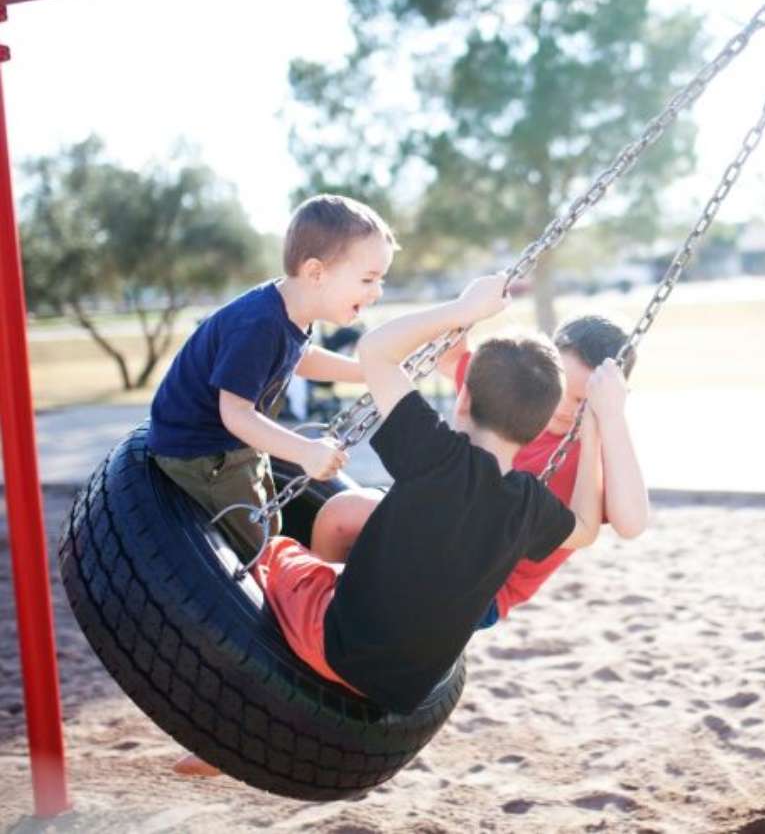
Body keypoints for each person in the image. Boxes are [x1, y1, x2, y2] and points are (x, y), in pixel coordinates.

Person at [254, 274, 608, 707]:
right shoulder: (530, 504)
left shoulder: (433, 450)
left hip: (336, 650)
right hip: (407, 693)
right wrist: (592, 430)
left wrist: (463, 311)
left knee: (267, 553)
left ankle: (263, 692)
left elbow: (375, 350)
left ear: (462, 401)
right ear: (540, 427)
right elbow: (588, 528)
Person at [309, 314, 649, 629]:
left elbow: (631, 523)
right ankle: (321, 606)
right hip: (433, 524)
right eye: (563, 390)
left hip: (482, 585)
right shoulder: (516, 392)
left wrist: (609, 420)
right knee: (340, 516)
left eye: (585, 401)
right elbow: (450, 358)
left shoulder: (596, 454)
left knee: (378, 550)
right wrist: (466, 314)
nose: (565, 407)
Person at [147, 194, 395, 557]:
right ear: (316, 273)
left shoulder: (290, 309)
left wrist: (365, 373)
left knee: (271, 521)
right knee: (255, 544)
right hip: (202, 453)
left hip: (231, 445)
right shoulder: (259, 324)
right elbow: (235, 413)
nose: (377, 292)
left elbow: (301, 356)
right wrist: (305, 451)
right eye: (368, 279)